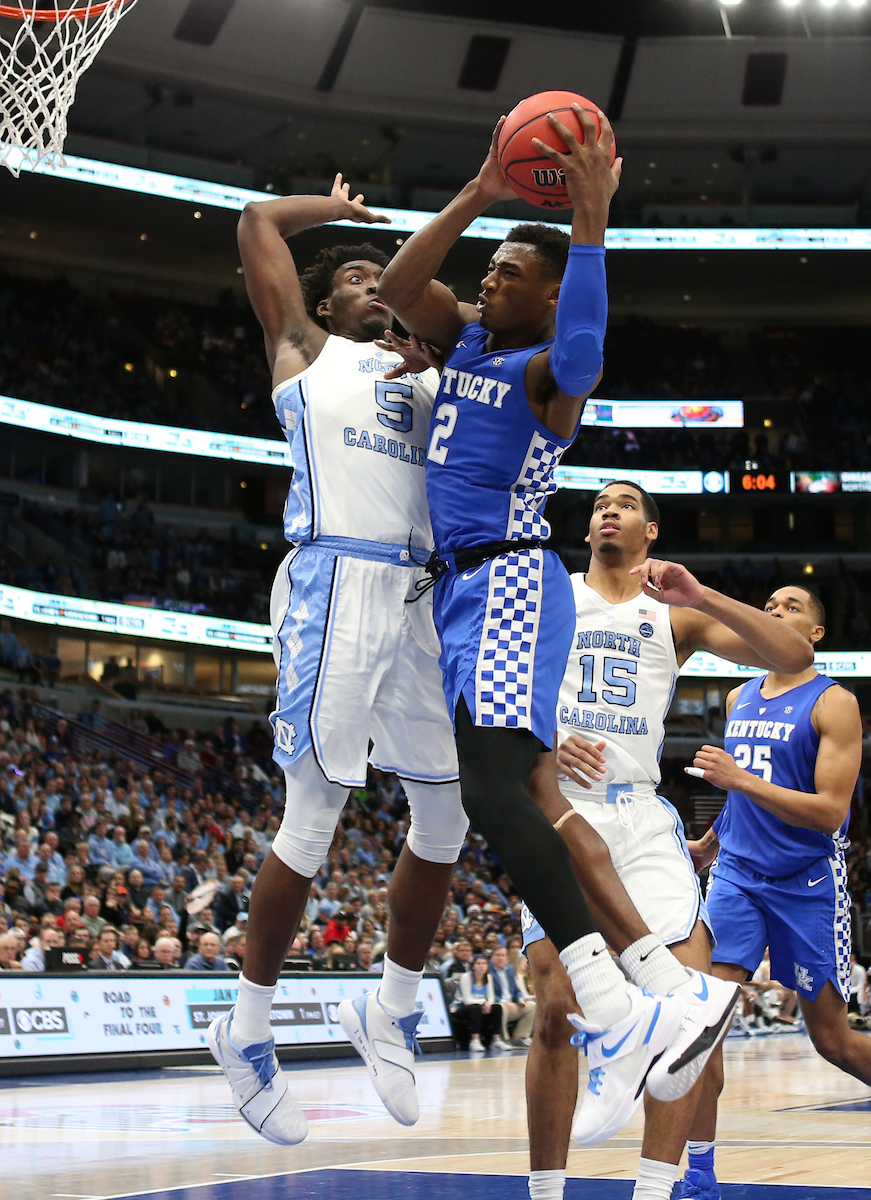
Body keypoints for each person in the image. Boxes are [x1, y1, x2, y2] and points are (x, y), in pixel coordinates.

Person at [374, 108, 742, 1143]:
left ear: (544, 293)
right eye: (486, 270)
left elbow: (583, 347)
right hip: (455, 596)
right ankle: (639, 1003)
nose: (487, 281)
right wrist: (480, 194)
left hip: (505, 585)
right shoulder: (466, 342)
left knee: (494, 787)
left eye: (505, 273)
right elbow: (401, 290)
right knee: (504, 791)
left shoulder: (540, 375)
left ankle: (628, 1010)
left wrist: (588, 220)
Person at [207, 171, 470, 1147]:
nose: (375, 285)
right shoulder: (303, 352)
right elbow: (255, 223)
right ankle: (245, 1033)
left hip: (415, 597)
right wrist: (343, 218)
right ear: (323, 305)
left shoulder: (430, 374)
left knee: (444, 811)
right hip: (335, 584)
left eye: (381, 277)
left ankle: (390, 1009)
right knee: (314, 812)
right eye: (360, 278)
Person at [517, 480, 814, 1200]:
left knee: (689, 1007)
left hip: (641, 817)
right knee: (556, 1002)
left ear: (649, 531)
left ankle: (655, 1190)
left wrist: (703, 596)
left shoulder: (670, 611)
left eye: (623, 503)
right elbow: (482, 682)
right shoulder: (547, 592)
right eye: (597, 505)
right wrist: (545, 740)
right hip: (560, 804)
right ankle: (544, 1193)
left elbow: (791, 656)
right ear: (587, 529)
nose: (606, 511)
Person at [678, 584, 867, 1200]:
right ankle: (700, 1174)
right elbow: (741, 793)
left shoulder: (834, 703)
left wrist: (738, 781)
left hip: (807, 883)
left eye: (792, 608)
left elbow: (829, 814)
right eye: (771, 605)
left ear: (814, 635)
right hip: (735, 876)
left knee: (832, 1041)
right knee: (704, 1025)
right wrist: (711, 839)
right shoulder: (738, 695)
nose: (775, 612)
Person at [451, 954, 503, 1052]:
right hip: (460, 1008)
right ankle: (475, 1040)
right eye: (478, 963)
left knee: (497, 1007)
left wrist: (488, 1004)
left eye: (484, 963)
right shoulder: (466, 977)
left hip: (480, 1006)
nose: (481, 966)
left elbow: (491, 997)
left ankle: (496, 1040)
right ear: (473, 966)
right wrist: (484, 1002)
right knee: (476, 1008)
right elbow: (467, 1000)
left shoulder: (488, 977)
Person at [488, 944, 535, 1045]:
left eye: (503, 955)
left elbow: (516, 990)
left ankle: (520, 1037)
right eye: (498, 955)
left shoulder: (509, 969)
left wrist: (520, 999)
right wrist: (505, 1002)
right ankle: (503, 1039)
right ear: (492, 957)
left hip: (512, 1004)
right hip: (498, 1004)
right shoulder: (488, 971)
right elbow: (489, 993)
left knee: (532, 1006)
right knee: (501, 1008)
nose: (501, 958)